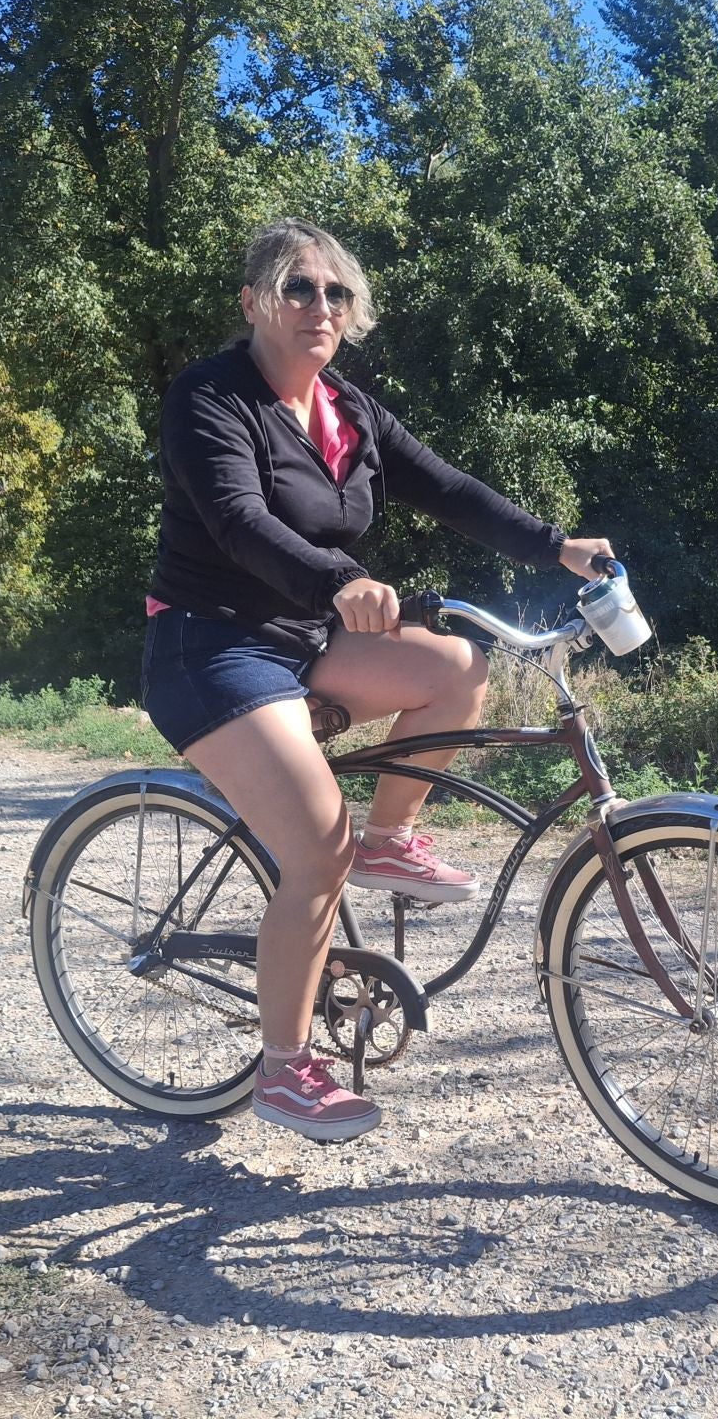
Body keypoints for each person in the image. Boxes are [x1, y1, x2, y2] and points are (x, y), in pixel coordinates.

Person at [142, 218, 613, 1142]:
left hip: (301, 634)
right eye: (297, 288)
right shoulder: (210, 397)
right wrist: (340, 581)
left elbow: (447, 485)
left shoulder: (349, 409)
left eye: (336, 293)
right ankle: (283, 1071)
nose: (320, 306)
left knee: (456, 665)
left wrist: (553, 546)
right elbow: (236, 520)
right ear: (254, 304)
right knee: (319, 844)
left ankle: (393, 838)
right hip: (210, 645)